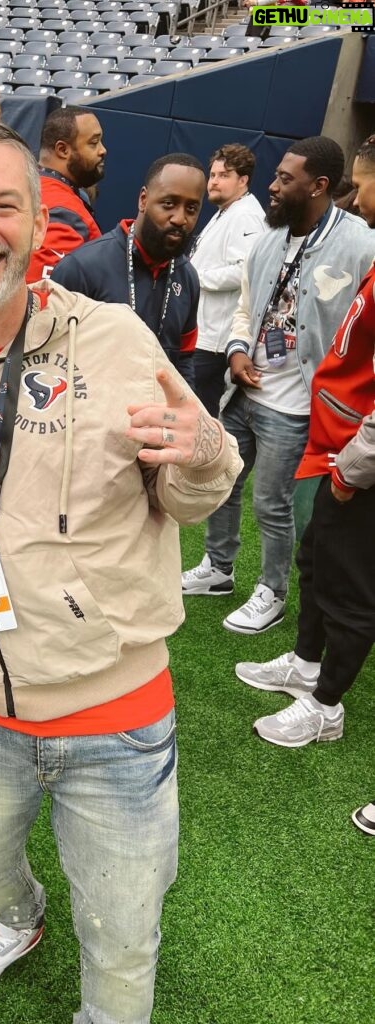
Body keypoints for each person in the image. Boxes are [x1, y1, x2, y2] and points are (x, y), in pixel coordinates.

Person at [0, 120, 241, 1024]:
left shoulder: (115, 339)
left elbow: (201, 488)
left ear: (41, 228)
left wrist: (196, 452)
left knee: (121, 933)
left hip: (113, 717)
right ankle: (16, 915)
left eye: (3, 204)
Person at [181, 136, 374, 635]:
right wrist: (238, 349)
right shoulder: (269, 238)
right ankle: (219, 570)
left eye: (286, 179)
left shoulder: (360, 245)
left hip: (298, 403)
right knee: (223, 481)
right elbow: (246, 308)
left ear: (319, 186)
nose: (272, 185)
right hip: (242, 389)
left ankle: (272, 590)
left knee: (272, 502)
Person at [233, 136, 375, 748]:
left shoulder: (360, 243)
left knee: (348, 584)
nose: (360, 196)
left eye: (366, 182)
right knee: (318, 556)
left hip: (351, 445)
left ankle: (326, 707)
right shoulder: (271, 238)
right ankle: (307, 663)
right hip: (331, 433)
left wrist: (356, 463)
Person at [51, 153, 206, 388]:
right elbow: (49, 357)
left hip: (155, 419)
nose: (179, 218)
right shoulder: (82, 267)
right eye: (169, 204)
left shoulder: (188, 279)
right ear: (143, 200)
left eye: (191, 208)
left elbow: (184, 360)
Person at [189, 143, 266, 416]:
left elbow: (245, 272)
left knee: (200, 414)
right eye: (213, 175)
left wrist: (195, 276)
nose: (214, 182)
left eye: (224, 175)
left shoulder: (246, 215)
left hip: (215, 342)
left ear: (243, 180)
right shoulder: (228, 210)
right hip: (204, 333)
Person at [25, 105, 105, 284]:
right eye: (93, 143)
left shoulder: (26, 186)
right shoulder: (64, 211)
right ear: (62, 150)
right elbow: (42, 297)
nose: (102, 150)